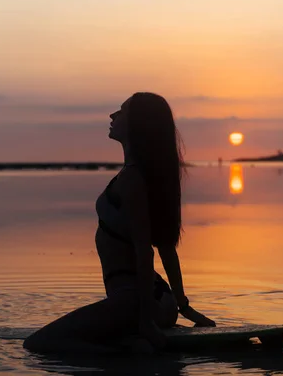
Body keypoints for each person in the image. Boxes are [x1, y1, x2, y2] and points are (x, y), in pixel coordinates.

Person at [23, 92, 216, 354]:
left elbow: (145, 251)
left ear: (138, 124)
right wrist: (183, 307)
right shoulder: (141, 176)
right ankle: (130, 340)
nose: (113, 116)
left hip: (135, 302)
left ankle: (131, 354)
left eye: (121, 112)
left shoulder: (132, 180)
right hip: (156, 300)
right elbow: (166, 248)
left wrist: (146, 321)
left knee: (37, 344)